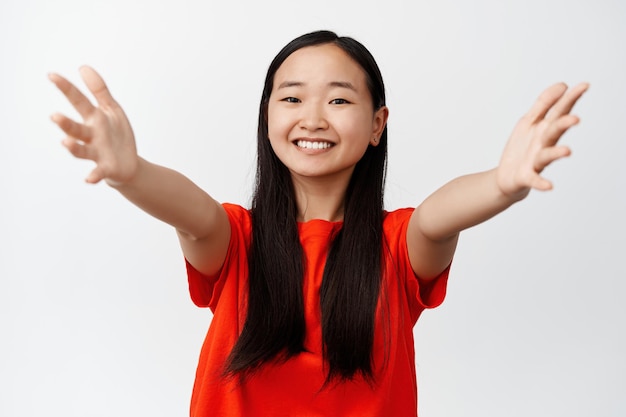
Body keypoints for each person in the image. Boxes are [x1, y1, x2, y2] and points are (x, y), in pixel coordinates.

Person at [49, 30, 588, 417]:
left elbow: (437, 219)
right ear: (268, 119)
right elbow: (192, 212)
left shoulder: (396, 247)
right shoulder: (236, 238)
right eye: (291, 98)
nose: (312, 117)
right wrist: (131, 174)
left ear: (377, 124)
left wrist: (501, 183)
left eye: (338, 99)